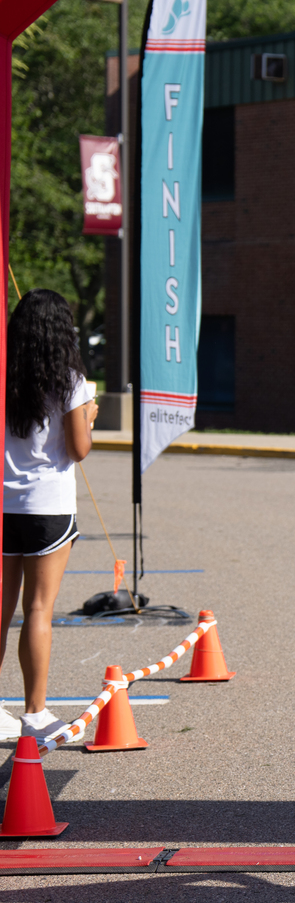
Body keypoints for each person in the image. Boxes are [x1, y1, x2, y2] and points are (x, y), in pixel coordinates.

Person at [2, 289, 98, 743]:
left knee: (0, 612)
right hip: (48, 507)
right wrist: (90, 418)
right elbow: (79, 450)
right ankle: (35, 714)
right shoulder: (70, 380)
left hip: (3, 503)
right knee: (38, 609)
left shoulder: (4, 374)